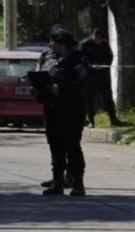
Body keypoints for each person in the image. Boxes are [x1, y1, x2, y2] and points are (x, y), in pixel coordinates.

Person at [34, 24, 88, 196]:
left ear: (63, 43)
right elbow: (41, 75)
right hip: (51, 107)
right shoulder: (47, 57)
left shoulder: (77, 59)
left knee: (72, 145)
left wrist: (59, 89)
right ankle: (57, 182)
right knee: (55, 145)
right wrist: (37, 88)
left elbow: (82, 83)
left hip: (72, 109)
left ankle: (78, 183)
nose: (51, 45)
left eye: (54, 41)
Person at [79, 27, 122, 127]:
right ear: (93, 36)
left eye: (100, 39)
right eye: (97, 39)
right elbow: (81, 58)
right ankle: (91, 120)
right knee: (89, 99)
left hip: (102, 75)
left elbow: (110, 56)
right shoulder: (85, 44)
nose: (98, 41)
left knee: (107, 97)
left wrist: (105, 64)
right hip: (89, 76)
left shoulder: (104, 44)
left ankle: (113, 118)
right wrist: (90, 66)